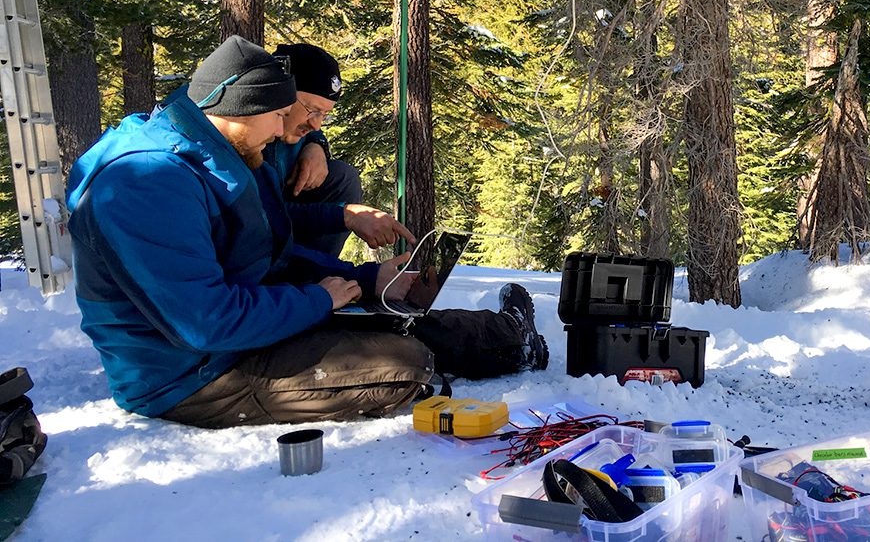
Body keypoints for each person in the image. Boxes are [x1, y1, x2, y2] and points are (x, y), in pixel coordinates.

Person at [68, 35, 549, 430]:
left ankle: (508, 337)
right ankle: (467, 349)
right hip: (190, 374)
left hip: (231, 336)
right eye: (280, 115)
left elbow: (269, 251)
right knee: (404, 361)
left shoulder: (217, 151)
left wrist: (361, 280)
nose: (284, 132)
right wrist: (318, 301)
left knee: (383, 318)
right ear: (242, 104)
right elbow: (205, 323)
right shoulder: (147, 183)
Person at [262, 43, 362, 258]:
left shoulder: (296, 130)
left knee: (343, 177)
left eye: (324, 115)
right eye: (312, 110)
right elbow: (259, 215)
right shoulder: (247, 139)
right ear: (278, 92)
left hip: (281, 221)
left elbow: (309, 127)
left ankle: (316, 276)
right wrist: (344, 216)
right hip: (251, 250)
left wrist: (316, 144)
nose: (316, 125)